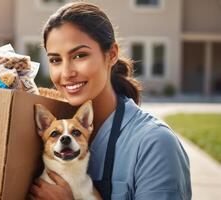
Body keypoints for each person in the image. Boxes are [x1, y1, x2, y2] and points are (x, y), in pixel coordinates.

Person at [30, 2, 192, 200]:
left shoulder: (154, 144)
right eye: (55, 60)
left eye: (80, 55)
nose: (66, 73)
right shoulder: (40, 132)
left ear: (112, 54)